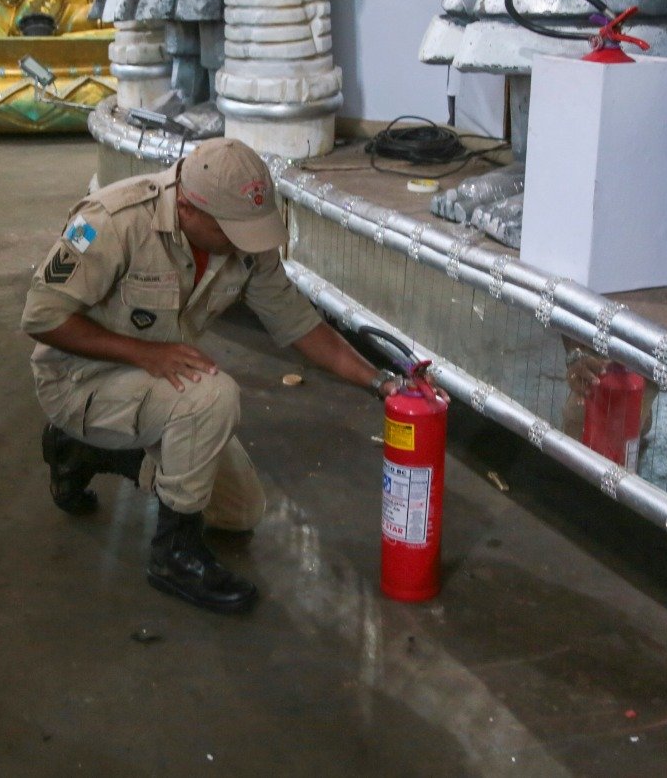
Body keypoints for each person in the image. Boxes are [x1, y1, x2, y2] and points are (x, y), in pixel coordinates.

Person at [21, 137, 403, 614]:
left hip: (152, 389)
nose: (246, 242)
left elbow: (300, 324)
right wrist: (143, 353)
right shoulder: (111, 222)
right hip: (78, 382)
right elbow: (41, 317)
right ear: (187, 206)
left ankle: (84, 451)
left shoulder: (241, 236)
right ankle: (173, 556)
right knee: (212, 396)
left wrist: (382, 383)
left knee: (239, 513)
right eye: (232, 229)